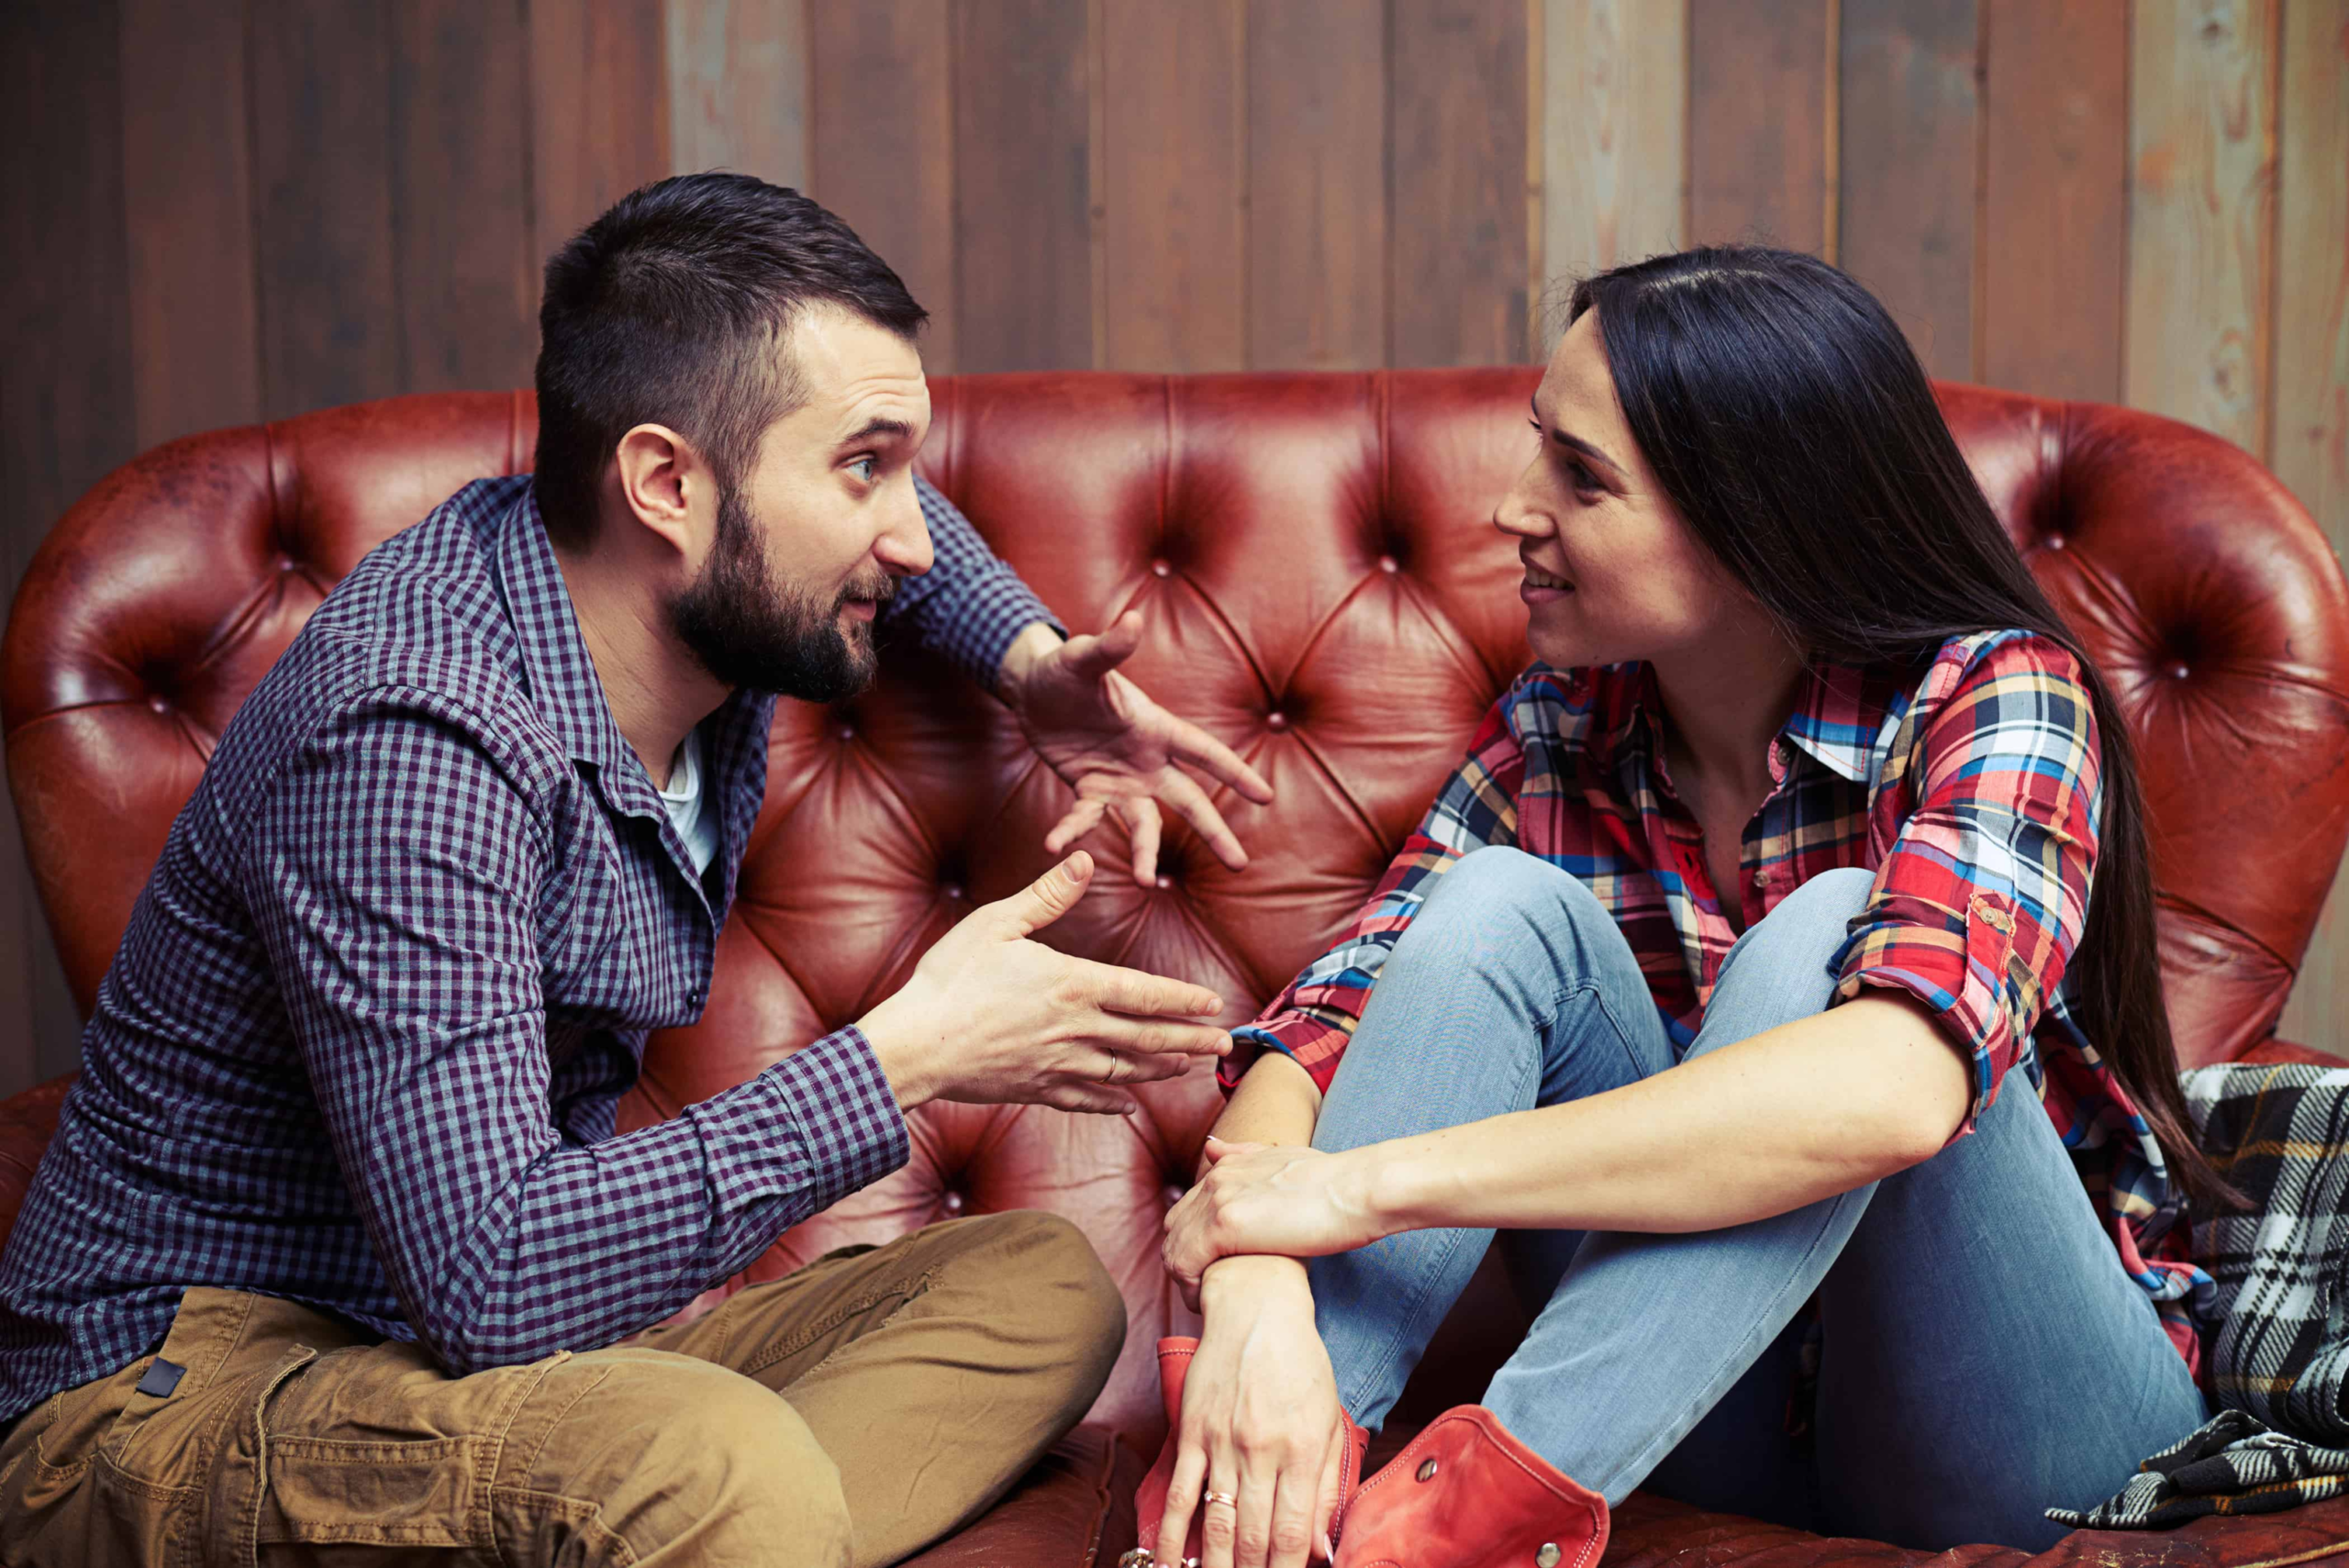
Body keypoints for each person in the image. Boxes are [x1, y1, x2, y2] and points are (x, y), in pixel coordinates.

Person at [0, 172, 1276, 1568]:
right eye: (864, 469)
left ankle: (706, 1533)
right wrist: (900, 1061)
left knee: (1040, 1290)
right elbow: (490, 1273)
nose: (908, 535)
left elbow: (912, 545)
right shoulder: (414, 736)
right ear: (666, 482)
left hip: (471, 1376)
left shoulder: (681, 594)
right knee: (710, 1462)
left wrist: (1030, 663)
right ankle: (712, 1520)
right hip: (183, 1395)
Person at [1141, 246, 2229, 1568]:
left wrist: (1362, 1193)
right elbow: (1324, 1032)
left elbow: (1891, 1090)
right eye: (1540, 450)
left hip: (2028, 1431)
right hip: (1702, 1417)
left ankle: (1436, 1543)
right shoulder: (1558, 734)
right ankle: (1251, 1523)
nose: (1512, 510)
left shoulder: (1998, 696)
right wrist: (1256, 1295)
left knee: (1827, 938)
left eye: (1581, 477)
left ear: (1756, 512)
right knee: (1488, 909)